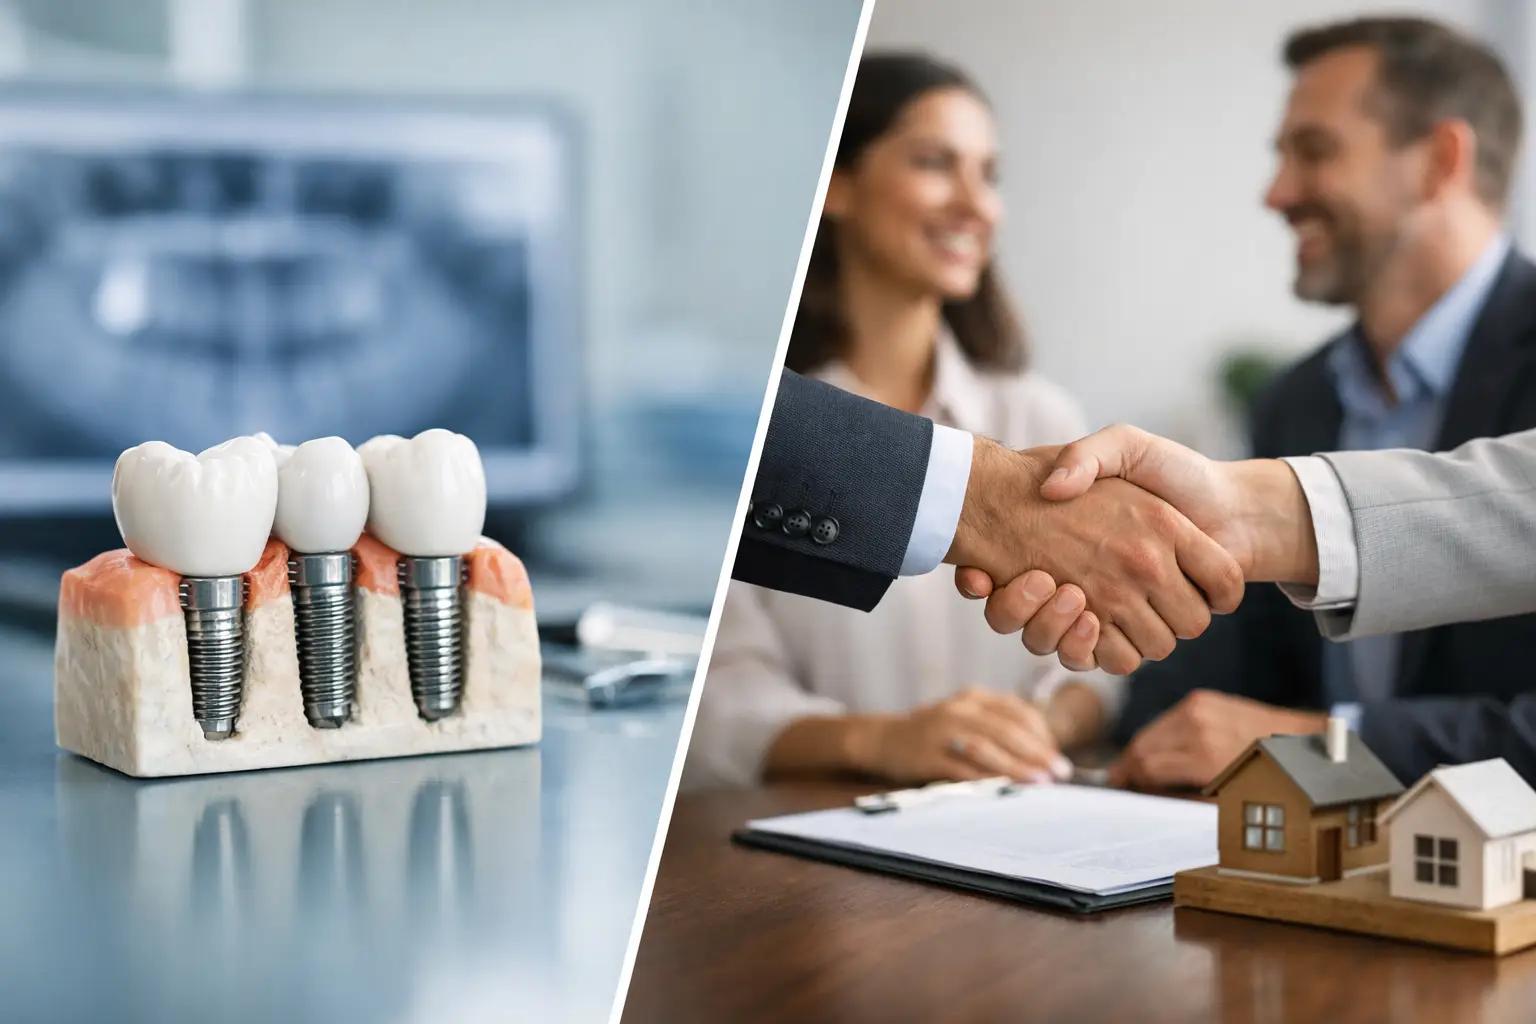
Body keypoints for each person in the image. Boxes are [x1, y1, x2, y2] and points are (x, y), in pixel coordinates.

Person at [1023, 16, 1533, 789]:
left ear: (1439, 161)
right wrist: (1059, 717)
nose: (1277, 193)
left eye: (1316, 150)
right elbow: (1225, 660)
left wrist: (1326, 746)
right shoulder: (1297, 401)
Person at [687, 55, 1142, 787]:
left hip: (1016, 812)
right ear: (835, 184)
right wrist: (884, 741)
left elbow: (1097, 663)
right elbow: (719, 695)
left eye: (989, 176)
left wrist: (1028, 731)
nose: (977, 205)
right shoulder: (761, 433)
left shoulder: (1043, 418)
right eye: (935, 163)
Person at [963, 421, 1536, 783]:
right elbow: (1218, 647)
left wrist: (1322, 750)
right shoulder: (1298, 394)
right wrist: (1238, 514)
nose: (1272, 217)